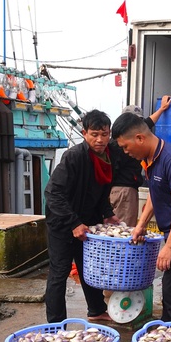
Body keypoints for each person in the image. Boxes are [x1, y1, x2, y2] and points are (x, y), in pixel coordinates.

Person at [111, 112, 171, 322]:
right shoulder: (149, 160)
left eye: (125, 146)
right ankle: (170, 334)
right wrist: (140, 225)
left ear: (139, 138)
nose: (125, 152)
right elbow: (155, 195)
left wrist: (170, 246)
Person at [44, 109, 120, 324]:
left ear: (110, 133)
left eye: (104, 134)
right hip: (62, 223)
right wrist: (74, 222)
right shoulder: (74, 156)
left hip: (86, 223)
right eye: (94, 134)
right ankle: (56, 324)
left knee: (89, 268)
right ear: (84, 133)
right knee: (60, 272)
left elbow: (101, 190)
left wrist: (108, 214)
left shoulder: (109, 156)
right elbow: (52, 193)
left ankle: (96, 309)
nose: (99, 140)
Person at [109, 96, 171, 227]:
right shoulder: (122, 143)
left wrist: (161, 109)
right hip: (124, 192)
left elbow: (148, 123)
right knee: (123, 233)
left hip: (118, 191)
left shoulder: (119, 140)